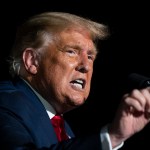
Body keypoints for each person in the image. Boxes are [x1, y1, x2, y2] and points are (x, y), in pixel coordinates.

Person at [0, 11, 150, 150]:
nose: (86, 66)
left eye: (90, 56)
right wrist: (111, 136)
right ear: (33, 61)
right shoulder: (6, 103)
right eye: (71, 51)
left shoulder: (65, 130)